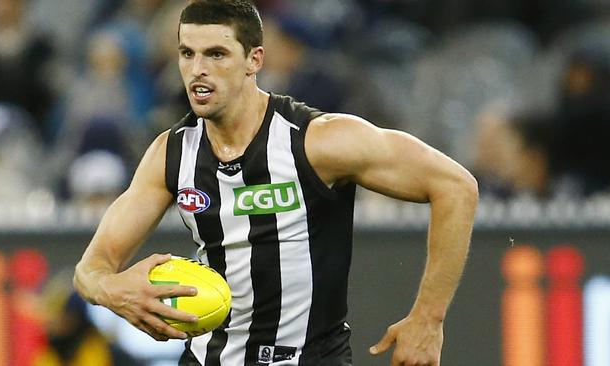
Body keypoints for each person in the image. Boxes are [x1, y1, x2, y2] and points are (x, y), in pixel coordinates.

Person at [73, 1, 478, 365]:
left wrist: (429, 317)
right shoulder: (171, 154)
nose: (198, 69)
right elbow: (90, 268)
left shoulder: (319, 141)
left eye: (216, 54)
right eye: (187, 53)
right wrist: (112, 290)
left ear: (254, 60)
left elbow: (456, 187)